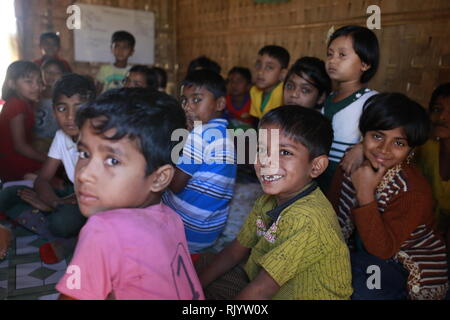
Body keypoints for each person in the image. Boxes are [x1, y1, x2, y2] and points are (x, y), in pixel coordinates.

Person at [56, 88, 204, 300]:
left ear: (159, 178)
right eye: (84, 153)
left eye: (112, 161)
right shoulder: (171, 218)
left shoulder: (103, 231)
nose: (84, 174)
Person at [197, 105, 352, 300]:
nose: (267, 161)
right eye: (262, 149)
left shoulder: (307, 219)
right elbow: (234, 252)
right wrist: (192, 291)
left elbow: (260, 291)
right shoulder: (267, 201)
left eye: (285, 152)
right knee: (206, 264)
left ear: (316, 166)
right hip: (265, 287)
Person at [328, 92, 448, 300]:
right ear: (363, 135)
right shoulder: (351, 162)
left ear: (411, 150)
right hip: (362, 249)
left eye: (399, 143)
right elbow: (331, 212)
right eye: (377, 136)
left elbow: (383, 250)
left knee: (362, 288)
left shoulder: (412, 190)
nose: (384, 149)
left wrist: (365, 193)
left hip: (402, 262)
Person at [162, 69, 237, 253]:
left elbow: (176, 184)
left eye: (197, 99)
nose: (188, 107)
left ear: (219, 103)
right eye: (185, 101)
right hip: (208, 232)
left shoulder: (200, 134)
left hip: (186, 232)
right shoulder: (224, 134)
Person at [318, 25, 379, 193]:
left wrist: (362, 147)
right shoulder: (328, 99)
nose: (332, 60)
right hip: (321, 180)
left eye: (342, 55)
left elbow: (385, 135)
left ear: (365, 64)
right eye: (330, 54)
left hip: (346, 185)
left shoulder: (371, 100)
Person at [0, 61, 46, 182]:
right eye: (29, 81)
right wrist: (46, 158)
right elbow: (20, 146)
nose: (36, 86)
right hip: (12, 162)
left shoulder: (25, 103)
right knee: (54, 170)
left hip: (15, 158)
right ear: (12, 84)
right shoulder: (16, 104)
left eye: (39, 81)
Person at [34, 58, 69, 153]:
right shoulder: (35, 93)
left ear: (63, 75)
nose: (51, 76)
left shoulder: (64, 96)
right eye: (47, 72)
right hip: (36, 139)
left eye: (56, 72)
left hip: (56, 140)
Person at [249, 45, 290, 120]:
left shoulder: (284, 93)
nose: (260, 72)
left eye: (269, 67)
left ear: (282, 73)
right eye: (258, 65)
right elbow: (256, 119)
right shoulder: (254, 91)